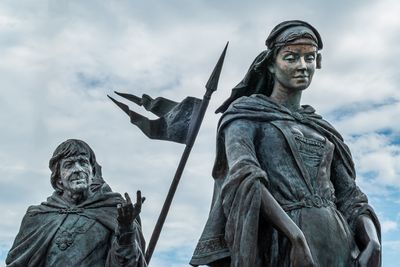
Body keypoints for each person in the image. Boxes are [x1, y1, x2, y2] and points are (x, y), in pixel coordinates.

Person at [190, 20, 381, 267]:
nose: (303, 66)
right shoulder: (245, 115)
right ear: (271, 64)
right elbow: (244, 179)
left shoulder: (321, 128)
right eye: (291, 58)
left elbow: (351, 198)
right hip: (281, 244)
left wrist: (372, 242)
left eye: (310, 58)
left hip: (338, 244)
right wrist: (296, 238)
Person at [6, 139, 146, 266]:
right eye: (69, 165)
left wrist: (126, 230)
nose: (78, 169)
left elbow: (127, 264)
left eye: (83, 163)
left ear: (92, 172)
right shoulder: (37, 216)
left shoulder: (114, 211)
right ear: (58, 177)